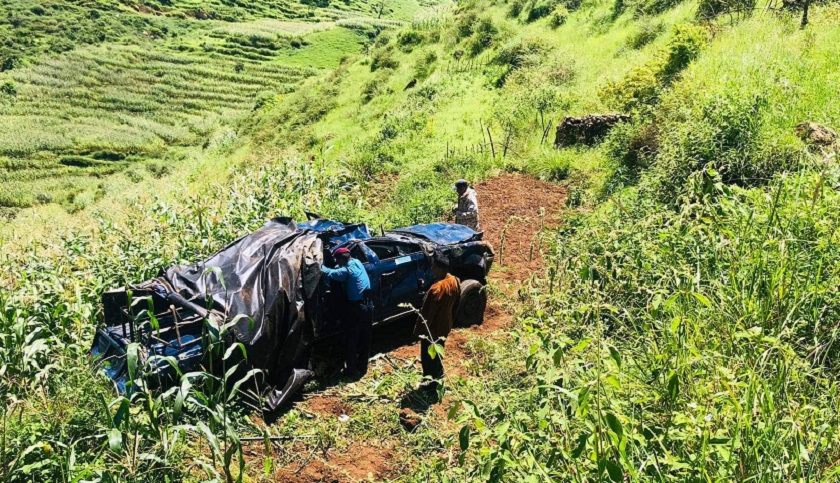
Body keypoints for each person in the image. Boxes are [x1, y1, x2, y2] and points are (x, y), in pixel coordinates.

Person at [321, 247, 373, 378]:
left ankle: (351, 370)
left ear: (340, 259)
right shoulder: (357, 262)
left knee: (352, 337)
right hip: (369, 305)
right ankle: (363, 367)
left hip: (357, 307)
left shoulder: (346, 271)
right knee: (365, 336)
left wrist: (318, 265)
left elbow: (331, 273)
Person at [414, 254, 461, 395]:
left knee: (429, 360)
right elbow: (456, 304)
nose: (432, 270)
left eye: (434, 267)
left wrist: (420, 332)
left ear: (440, 268)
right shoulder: (455, 281)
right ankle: (439, 379)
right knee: (439, 355)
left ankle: (430, 386)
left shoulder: (436, 289)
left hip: (431, 331)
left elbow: (426, 314)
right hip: (444, 326)